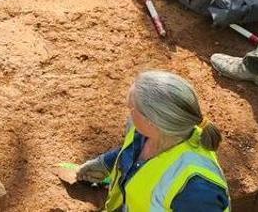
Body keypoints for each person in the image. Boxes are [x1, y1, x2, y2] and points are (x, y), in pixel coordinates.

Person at [74, 71, 230, 212]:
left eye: (132, 108)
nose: (129, 111)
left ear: (151, 121)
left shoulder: (197, 191)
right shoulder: (149, 131)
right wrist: (105, 163)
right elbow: (133, 152)